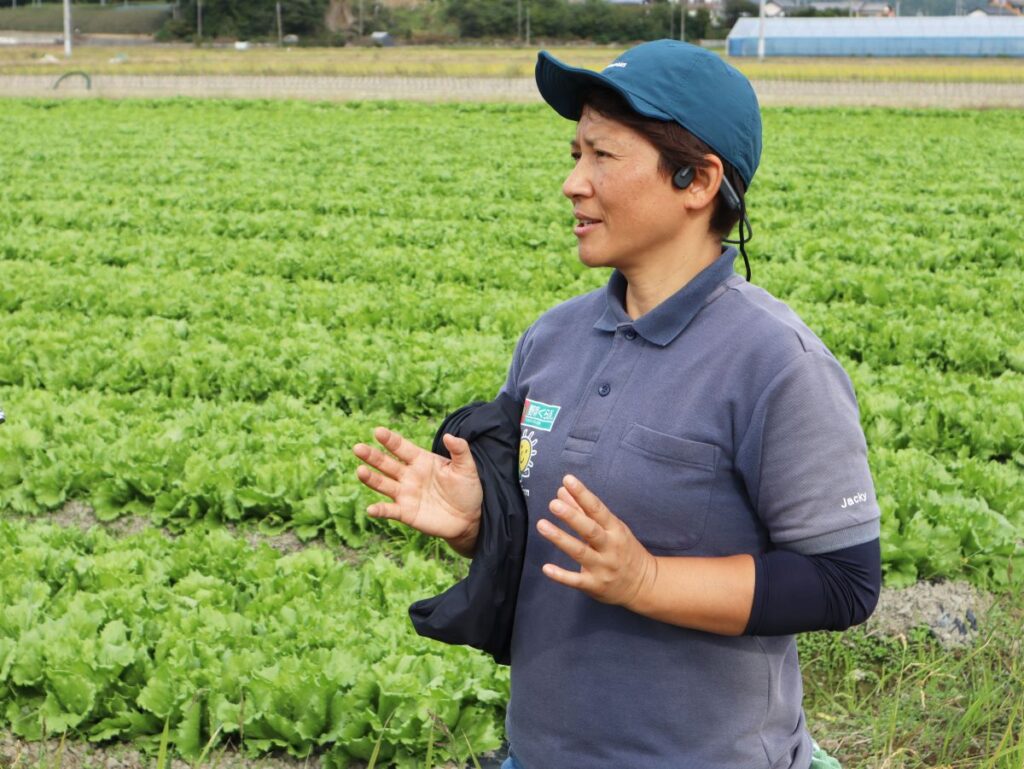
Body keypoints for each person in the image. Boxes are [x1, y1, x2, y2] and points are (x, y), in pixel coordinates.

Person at [353, 40, 881, 769]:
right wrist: (483, 524)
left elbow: (842, 581)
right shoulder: (552, 340)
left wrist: (649, 581)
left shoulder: (774, 362)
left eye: (602, 156)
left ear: (696, 180)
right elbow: (551, 545)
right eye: (574, 153)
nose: (574, 183)